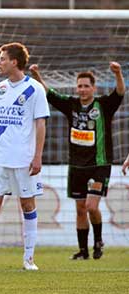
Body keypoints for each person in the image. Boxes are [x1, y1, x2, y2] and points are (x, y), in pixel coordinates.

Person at [30, 61, 125, 260]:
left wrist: (117, 73)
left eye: (86, 86)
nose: (82, 90)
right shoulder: (71, 105)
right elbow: (49, 94)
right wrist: (36, 74)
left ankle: (98, 241)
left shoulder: (104, 105)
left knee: (91, 206)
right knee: (80, 209)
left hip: (100, 164)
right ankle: (83, 251)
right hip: (76, 166)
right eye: (79, 86)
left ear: (94, 88)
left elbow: (119, 93)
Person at [0, 42, 49, 272]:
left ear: (14, 61)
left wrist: (37, 156)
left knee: (27, 204)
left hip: (23, 159)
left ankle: (28, 259)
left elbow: (40, 124)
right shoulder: (0, 88)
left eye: (2, 59)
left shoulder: (35, 89)